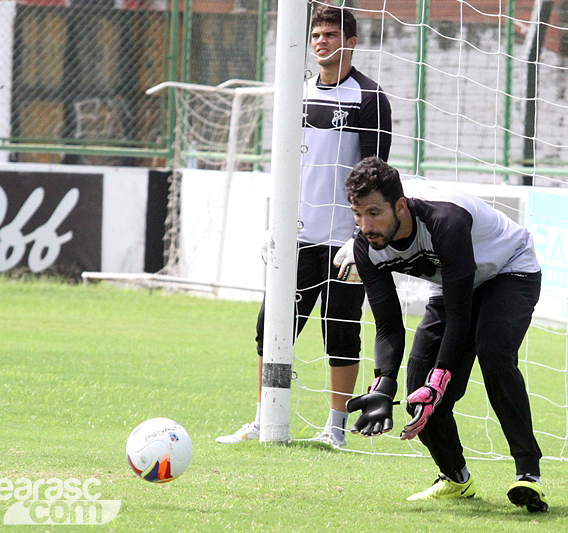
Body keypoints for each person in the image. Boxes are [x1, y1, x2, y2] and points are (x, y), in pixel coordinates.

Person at [217, 5, 392, 449]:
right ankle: (262, 420)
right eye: (316, 33)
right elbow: (287, 166)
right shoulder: (296, 93)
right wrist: (275, 225)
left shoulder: (370, 99)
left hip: (345, 244)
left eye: (331, 33)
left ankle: (335, 430)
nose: (321, 41)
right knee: (270, 328)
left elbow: (377, 178)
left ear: (350, 41)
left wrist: (362, 241)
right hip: (295, 237)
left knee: (341, 334)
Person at [341, 157, 548, 511]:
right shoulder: (366, 246)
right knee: (415, 391)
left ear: (400, 205)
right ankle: (455, 477)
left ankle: (528, 473)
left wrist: (440, 381)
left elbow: (459, 316)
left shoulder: (444, 222)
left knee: (494, 353)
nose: (365, 225)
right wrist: (383, 383)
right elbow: (389, 325)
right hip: (453, 288)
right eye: (358, 214)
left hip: (509, 270)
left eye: (374, 213)